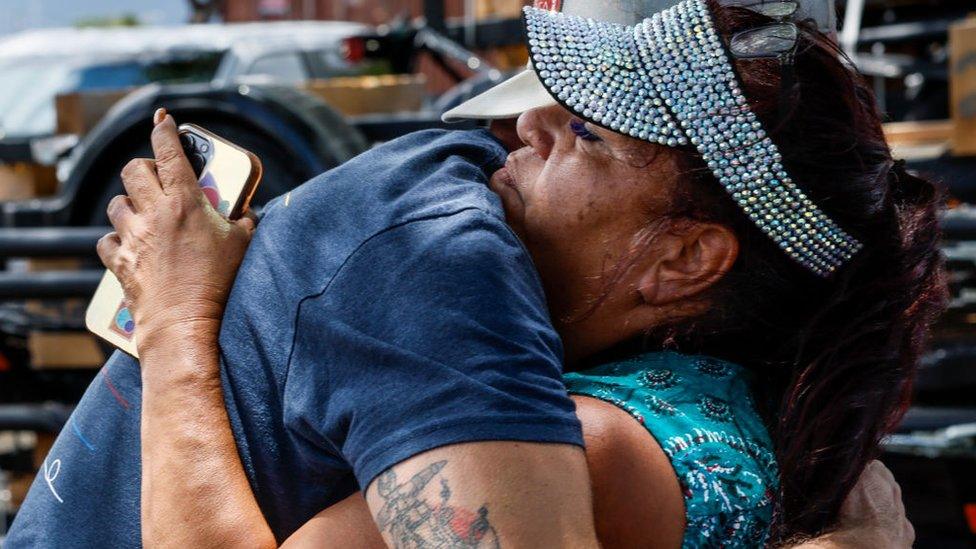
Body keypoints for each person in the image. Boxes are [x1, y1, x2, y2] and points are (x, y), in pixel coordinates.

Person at [8, 0, 940, 547]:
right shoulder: (735, 411)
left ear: (687, 257)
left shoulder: (575, 431)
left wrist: (176, 320)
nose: (525, 125)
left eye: (586, 131)